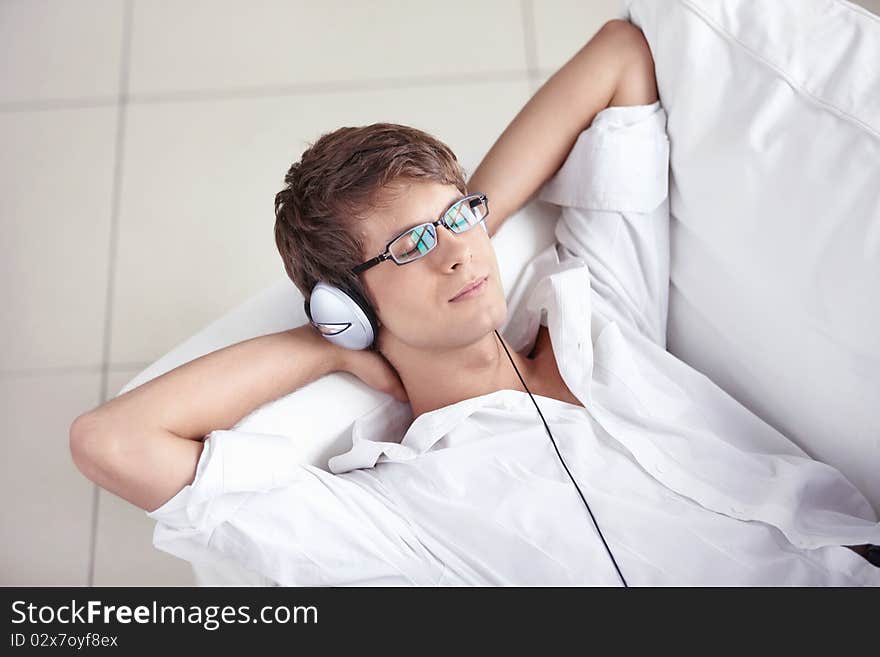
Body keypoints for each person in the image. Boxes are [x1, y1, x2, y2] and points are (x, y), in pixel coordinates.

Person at [69, 20, 880, 585]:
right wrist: (324, 345)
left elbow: (621, 56)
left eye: (456, 220)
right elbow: (112, 440)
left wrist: (468, 210)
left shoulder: (594, 310)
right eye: (413, 246)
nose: (459, 250)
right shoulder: (402, 506)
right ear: (345, 304)